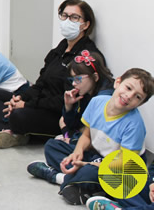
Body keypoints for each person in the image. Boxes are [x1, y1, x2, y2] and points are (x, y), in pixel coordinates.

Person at [0, 0, 105, 148]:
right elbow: (40, 83)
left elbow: (66, 100)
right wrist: (20, 98)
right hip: (39, 104)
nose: (67, 20)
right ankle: (9, 131)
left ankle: (14, 129)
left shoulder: (85, 56)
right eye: (64, 15)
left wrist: (27, 105)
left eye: (74, 17)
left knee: (18, 115)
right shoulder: (59, 50)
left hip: (59, 113)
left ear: (86, 24)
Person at [25, 68, 154, 205]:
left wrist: (86, 164)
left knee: (94, 173)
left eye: (137, 97)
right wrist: (77, 153)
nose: (129, 96)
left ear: (140, 104)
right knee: (52, 146)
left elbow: (121, 164)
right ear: (118, 82)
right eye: (128, 88)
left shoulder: (134, 124)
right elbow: (87, 135)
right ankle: (80, 182)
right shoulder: (97, 102)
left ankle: (58, 177)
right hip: (95, 154)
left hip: (119, 167)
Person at [56, 50, 114, 143]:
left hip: (102, 142)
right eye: (72, 79)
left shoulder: (103, 98)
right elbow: (75, 124)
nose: (74, 83)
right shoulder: (87, 92)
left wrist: (74, 141)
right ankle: (70, 138)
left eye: (78, 79)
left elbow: (93, 132)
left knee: (52, 146)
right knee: (62, 120)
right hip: (86, 135)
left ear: (95, 77)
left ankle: (70, 140)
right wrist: (69, 107)